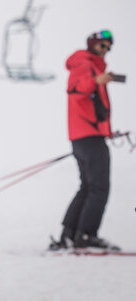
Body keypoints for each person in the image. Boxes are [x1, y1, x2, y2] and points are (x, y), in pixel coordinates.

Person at [53, 30, 118, 250]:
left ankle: (70, 234)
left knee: (88, 187)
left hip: (85, 136)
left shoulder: (89, 65)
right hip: (88, 137)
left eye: (108, 47)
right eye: (103, 46)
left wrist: (107, 131)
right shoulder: (85, 63)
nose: (106, 50)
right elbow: (74, 89)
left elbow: (91, 106)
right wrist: (95, 80)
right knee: (98, 187)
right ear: (93, 44)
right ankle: (86, 236)